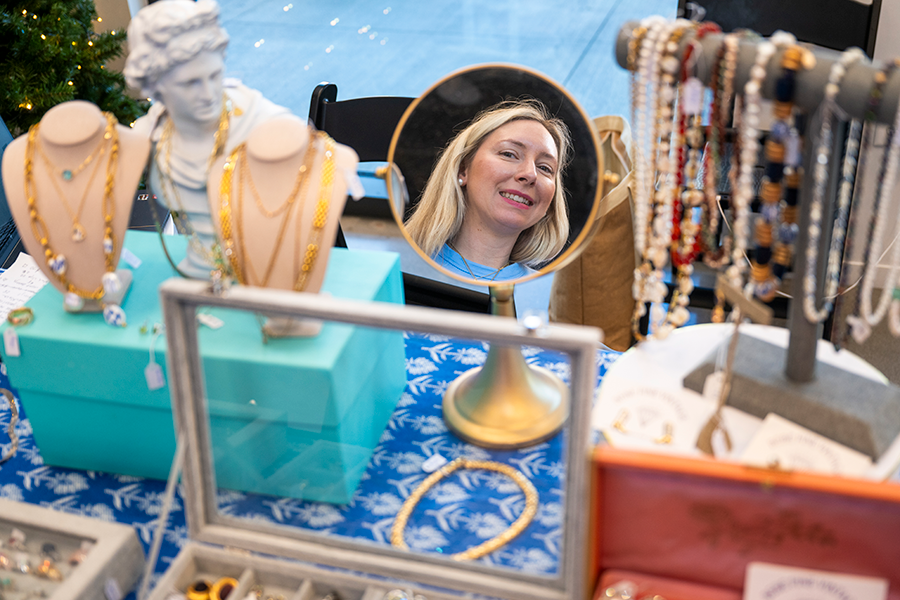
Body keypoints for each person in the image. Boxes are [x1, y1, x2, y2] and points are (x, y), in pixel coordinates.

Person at [124, 0, 288, 278]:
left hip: (261, 269)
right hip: (198, 267)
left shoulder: (256, 120)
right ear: (156, 85)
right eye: (190, 83)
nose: (209, 93)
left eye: (215, 75)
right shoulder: (149, 137)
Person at [405, 99, 571, 282]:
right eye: (509, 154)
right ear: (463, 170)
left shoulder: (552, 294)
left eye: (545, 168)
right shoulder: (395, 266)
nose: (531, 174)